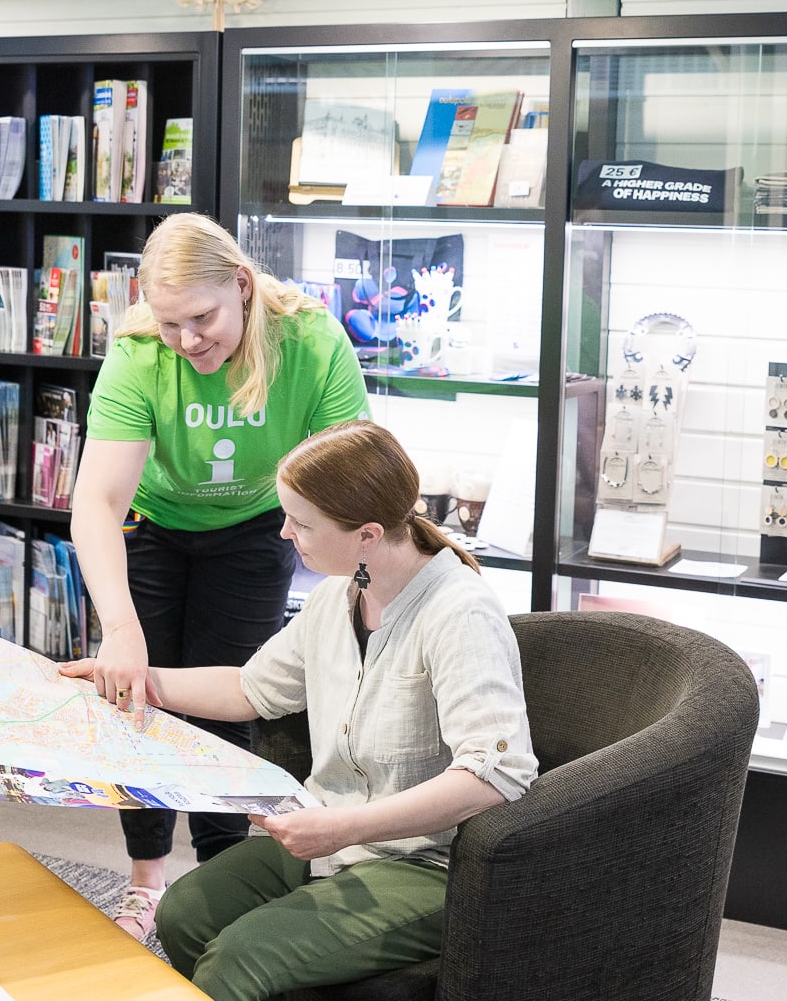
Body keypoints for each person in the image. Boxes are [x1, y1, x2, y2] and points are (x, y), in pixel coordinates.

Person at [61, 420, 537, 1001]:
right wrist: (132, 680)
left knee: (237, 962)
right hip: (333, 832)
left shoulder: (459, 613)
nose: (285, 533)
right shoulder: (339, 595)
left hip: (427, 864)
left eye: (301, 522)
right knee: (183, 916)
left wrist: (340, 828)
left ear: (367, 534)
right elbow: (249, 689)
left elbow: (497, 774)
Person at [70, 213, 369, 936]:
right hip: (154, 527)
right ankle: (145, 880)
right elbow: (97, 500)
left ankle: (216, 881)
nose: (186, 340)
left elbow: (356, 470)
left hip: (256, 526)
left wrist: (366, 581)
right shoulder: (141, 350)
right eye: (171, 324)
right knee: (132, 696)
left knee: (227, 708)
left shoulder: (311, 339)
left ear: (242, 284)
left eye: (201, 318)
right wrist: (119, 631)